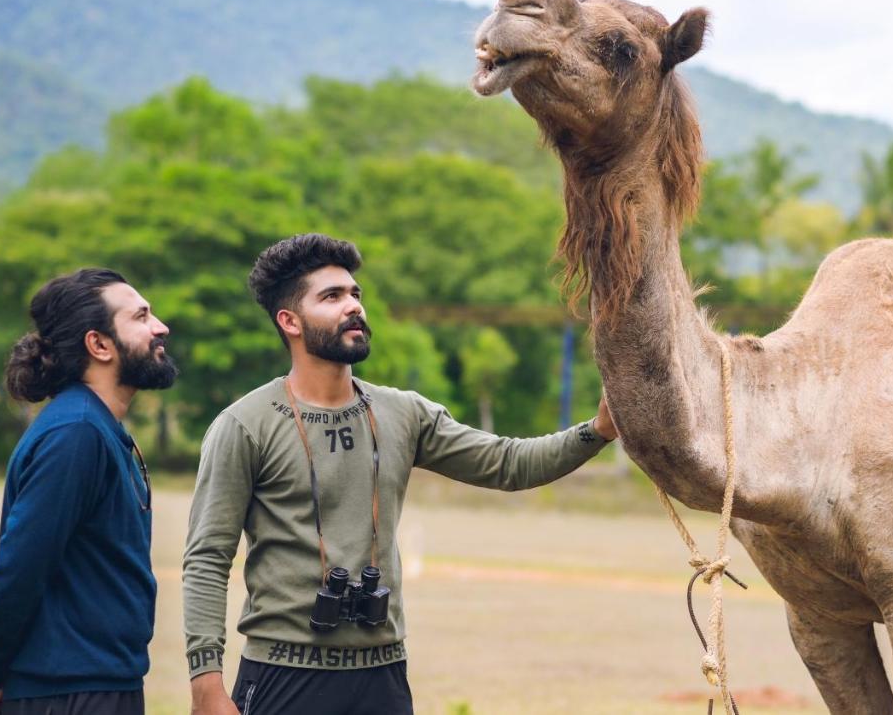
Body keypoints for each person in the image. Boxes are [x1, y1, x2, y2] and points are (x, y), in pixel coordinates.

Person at [184, 234, 617, 715]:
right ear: (290, 321)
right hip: (283, 674)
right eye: (331, 297)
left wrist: (597, 430)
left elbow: (508, 464)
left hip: (383, 676)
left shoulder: (403, 413)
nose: (353, 306)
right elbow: (207, 558)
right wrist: (207, 684)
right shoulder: (244, 425)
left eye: (355, 294)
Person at [0, 268, 178, 715]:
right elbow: (16, 573)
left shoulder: (97, 427)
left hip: (97, 684)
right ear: (98, 345)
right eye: (141, 316)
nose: (161, 327)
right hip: (69, 693)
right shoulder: (75, 433)